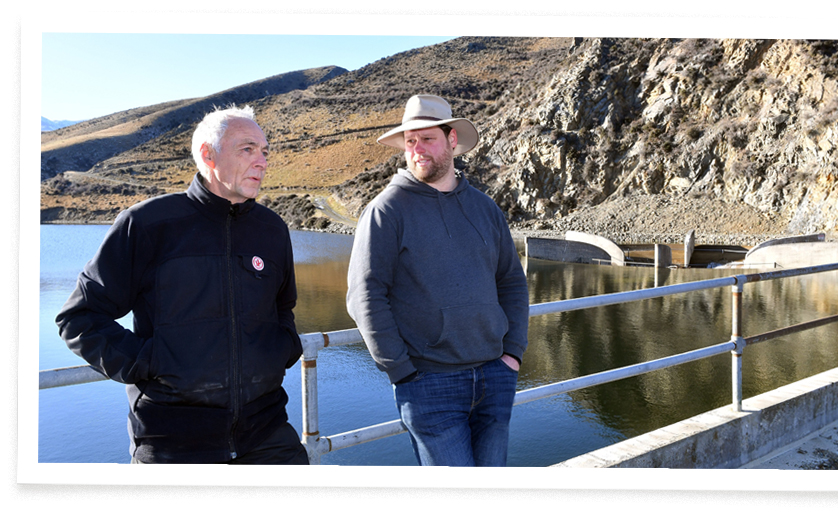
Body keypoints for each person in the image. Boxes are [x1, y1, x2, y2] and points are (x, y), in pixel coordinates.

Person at [56, 105, 309, 465]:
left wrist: (281, 349)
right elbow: (79, 318)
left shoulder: (272, 229)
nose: (262, 162)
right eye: (247, 149)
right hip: (172, 442)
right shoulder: (147, 225)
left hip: (267, 432)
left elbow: (283, 308)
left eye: (265, 151)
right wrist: (150, 363)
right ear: (208, 155)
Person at [346, 94, 529, 466]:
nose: (417, 149)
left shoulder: (484, 208)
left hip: (495, 375)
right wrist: (402, 371)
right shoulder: (387, 210)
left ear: (452, 141)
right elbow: (365, 294)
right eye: (410, 142)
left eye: (426, 138)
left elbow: (511, 280)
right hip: (430, 384)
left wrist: (512, 353)